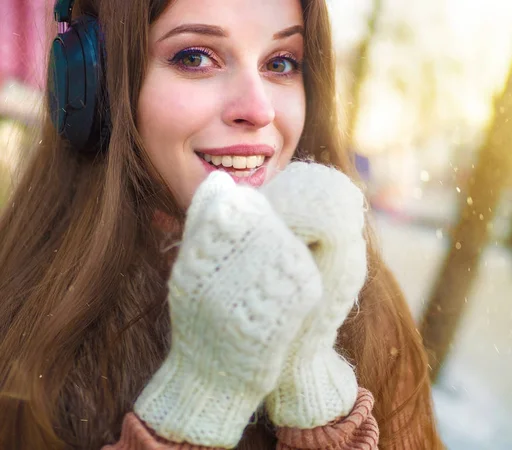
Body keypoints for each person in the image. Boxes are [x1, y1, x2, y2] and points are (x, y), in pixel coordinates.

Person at [0, 0, 443, 449]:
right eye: (195, 57)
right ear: (93, 83)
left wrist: (313, 395)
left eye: (281, 62)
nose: (258, 109)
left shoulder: (366, 304)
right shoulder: (17, 318)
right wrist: (197, 405)